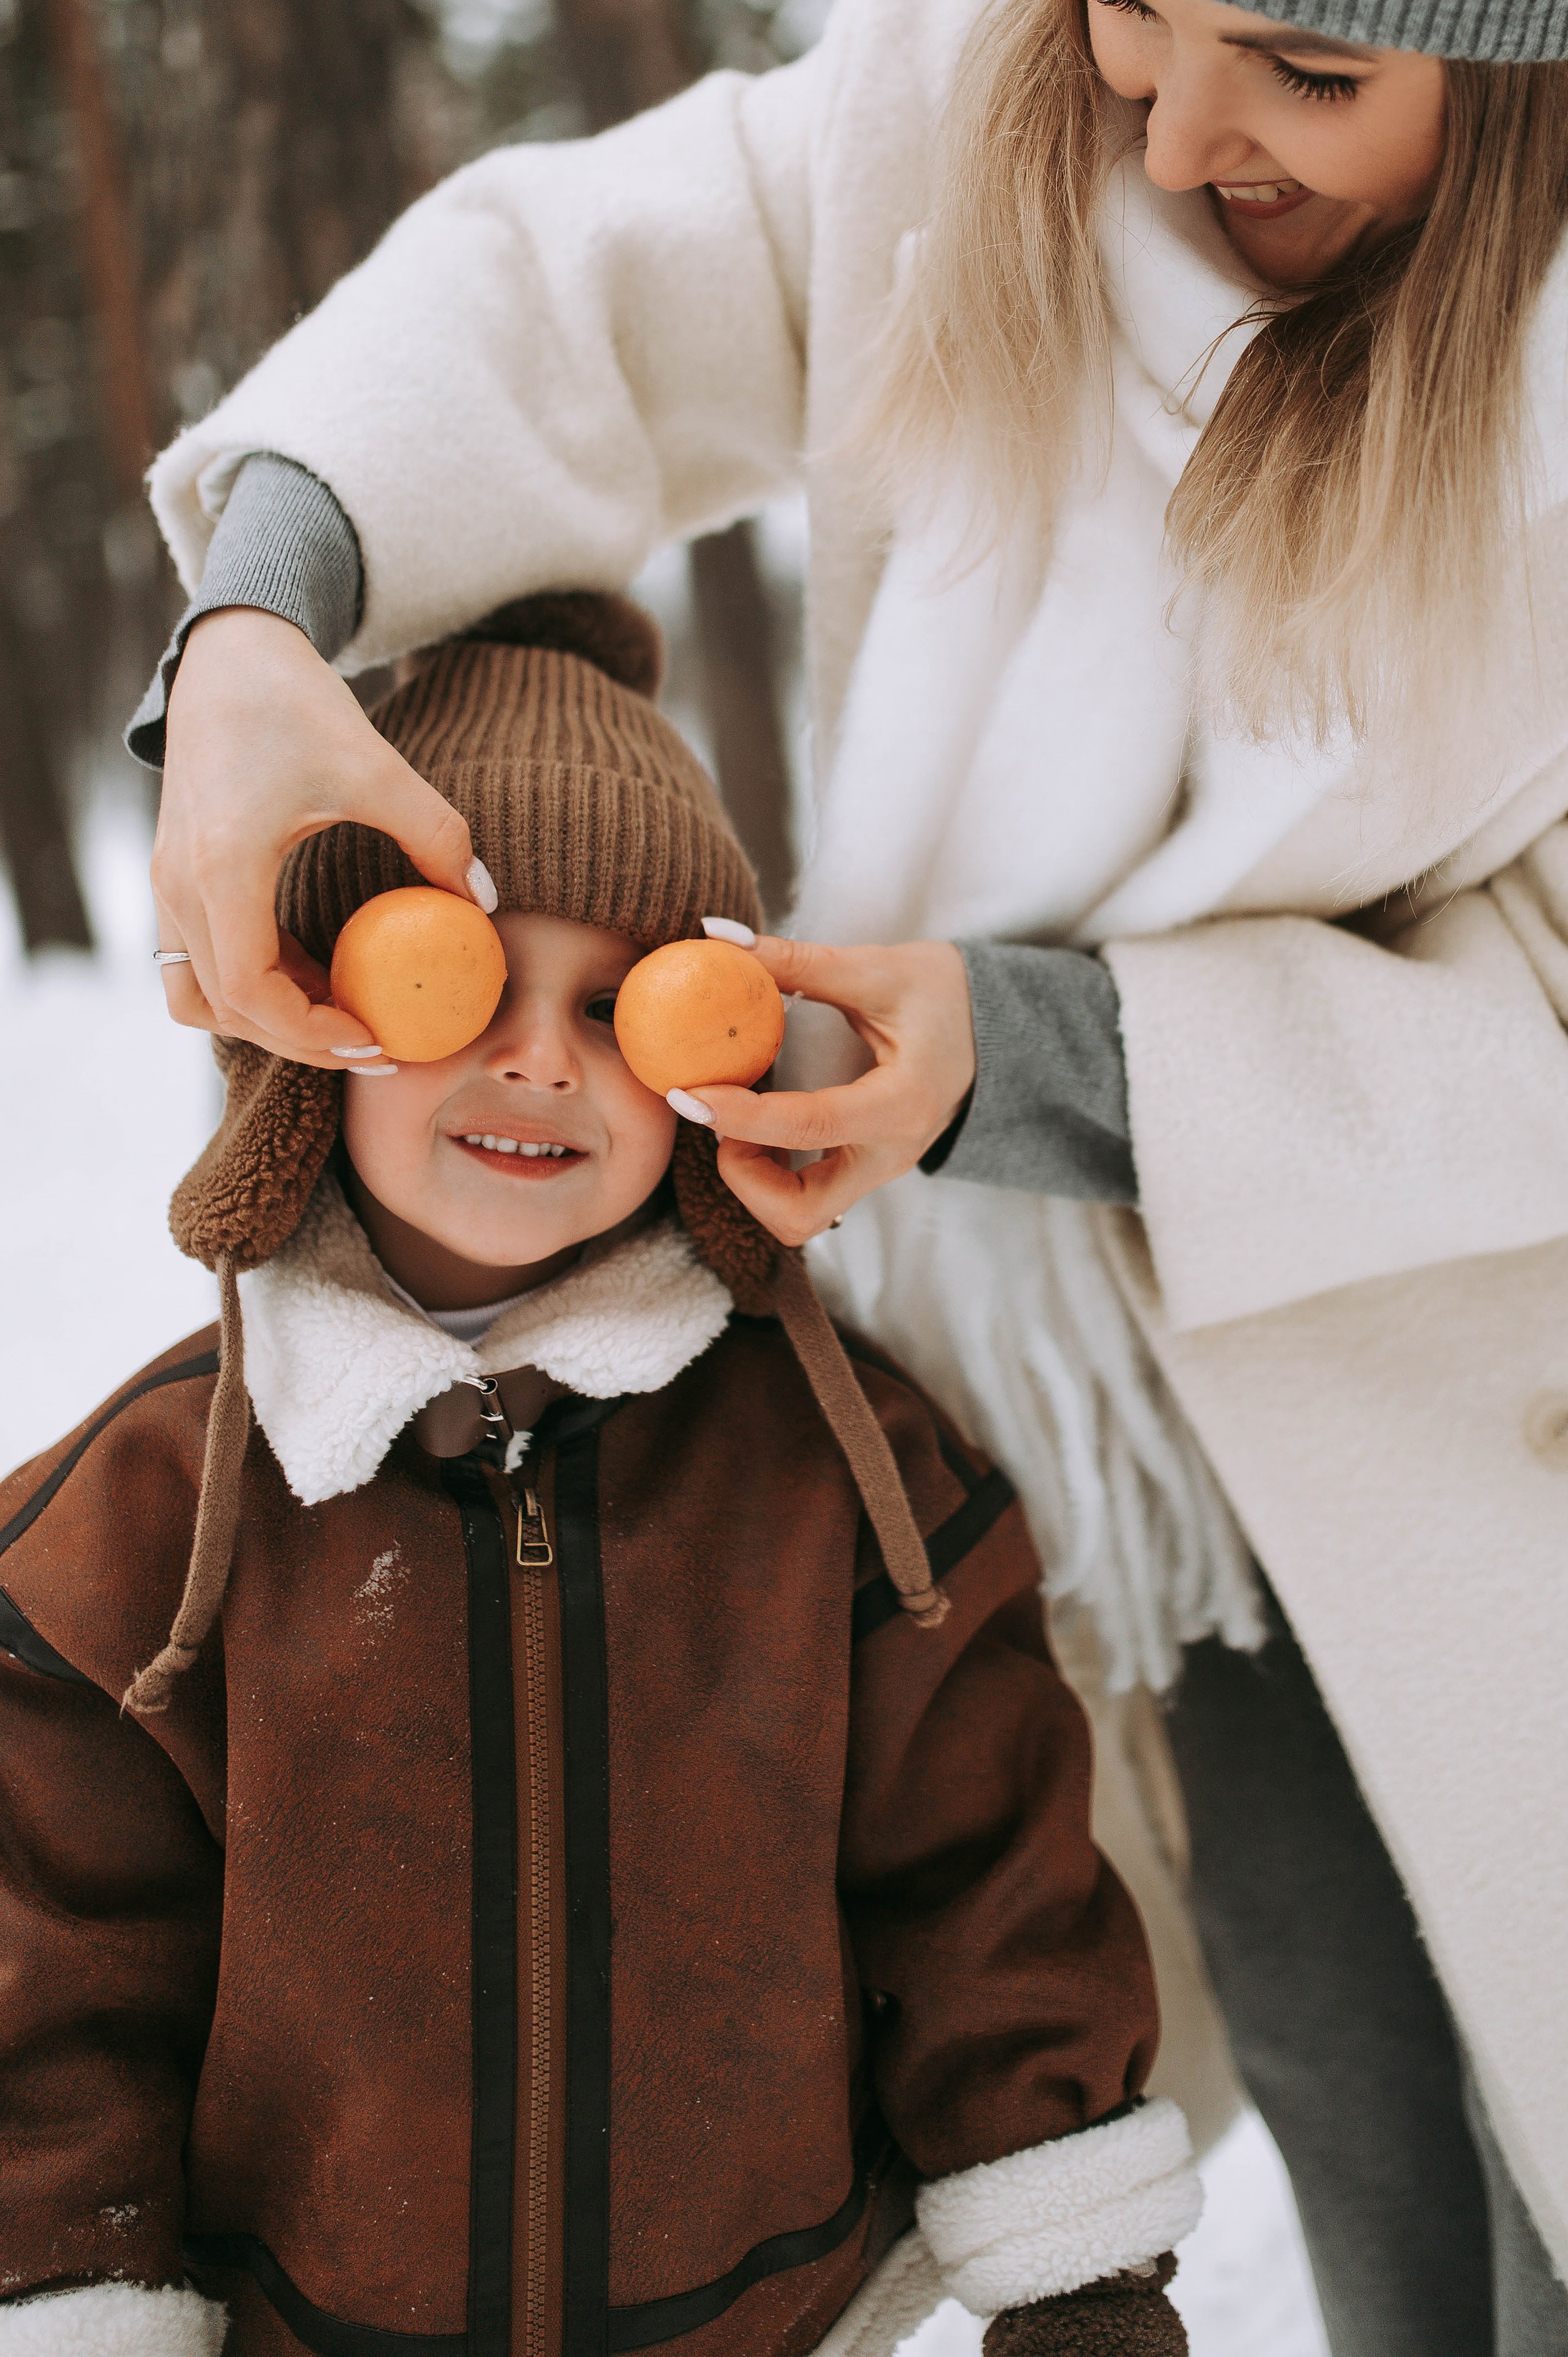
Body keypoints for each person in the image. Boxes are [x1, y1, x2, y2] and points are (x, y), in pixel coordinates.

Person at [122, 0, 1568, 2347]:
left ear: (1535, 66)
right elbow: (588, 293)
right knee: (1222, 2063)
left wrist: (1030, 1051)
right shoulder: (986, 90)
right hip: (1073, 1366)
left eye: (1303, 72)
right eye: (1131, 2)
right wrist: (256, 636)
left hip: (1528, 1360)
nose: (1170, 132)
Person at [0, 594, 1205, 2357]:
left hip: (766, 2318)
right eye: (459, 978)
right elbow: (61, 1988)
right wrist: (84, 2297)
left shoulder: (844, 1480)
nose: (542, 1059)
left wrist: (1071, 2273)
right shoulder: (137, 1527)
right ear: (314, 1014)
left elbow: (986, 1889)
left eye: (621, 1005)